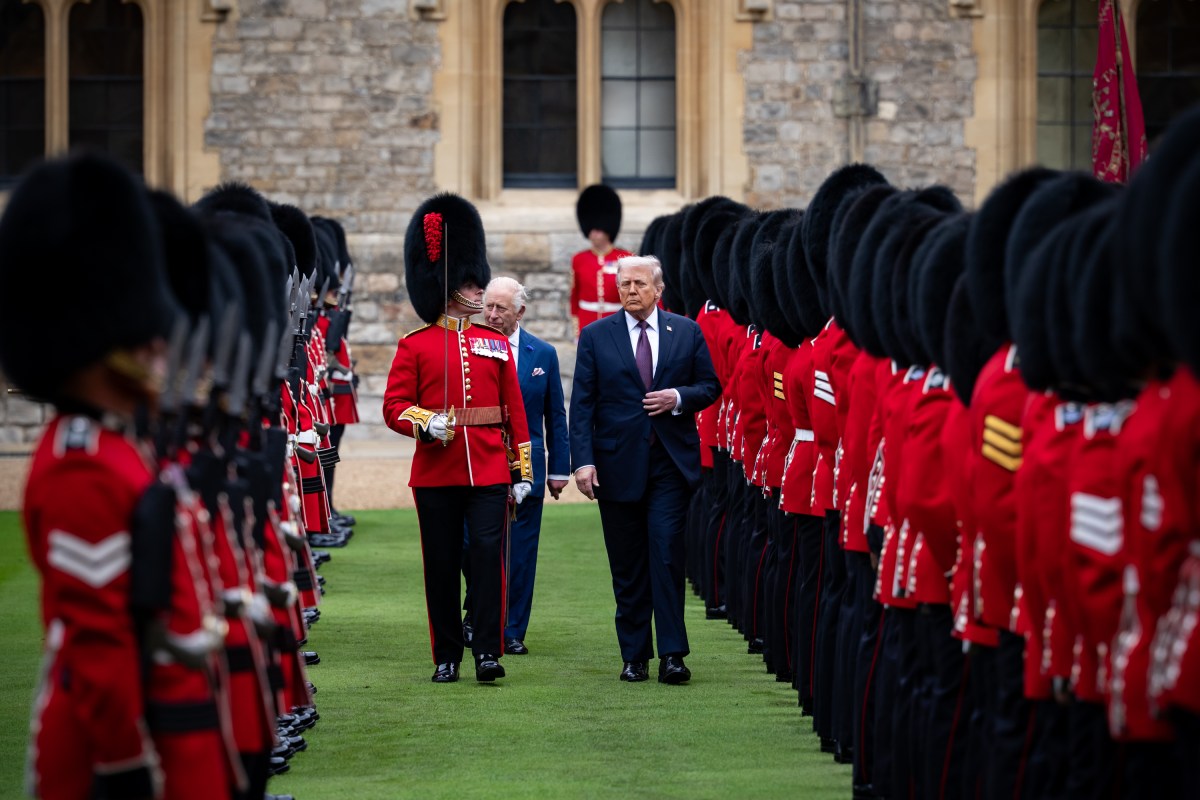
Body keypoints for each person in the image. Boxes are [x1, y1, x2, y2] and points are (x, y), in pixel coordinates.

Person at [383, 192, 534, 684]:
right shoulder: (415, 345)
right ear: (449, 288)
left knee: (489, 563)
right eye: (469, 283)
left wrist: (522, 473)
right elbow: (394, 407)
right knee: (442, 568)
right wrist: (425, 422)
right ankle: (446, 654)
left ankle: (488, 652)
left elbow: (514, 412)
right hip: (436, 471)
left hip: (489, 469)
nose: (478, 291)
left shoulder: (493, 343)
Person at [569, 255, 721, 684]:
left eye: (638, 283)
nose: (630, 290)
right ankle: (634, 654)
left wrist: (677, 397)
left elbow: (710, 386)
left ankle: (673, 654)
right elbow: (581, 405)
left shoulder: (686, 331)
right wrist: (582, 461)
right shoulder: (596, 336)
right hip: (616, 466)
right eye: (623, 284)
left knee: (667, 556)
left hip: (669, 464)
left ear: (659, 289)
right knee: (628, 564)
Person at [482, 276, 571, 655]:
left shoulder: (542, 353)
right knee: (479, 547)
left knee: (521, 552)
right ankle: (480, 617)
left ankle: (513, 628)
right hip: (482, 461)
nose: (492, 314)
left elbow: (555, 415)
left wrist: (559, 469)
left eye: (501, 308)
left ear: (519, 311)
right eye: (488, 306)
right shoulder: (471, 347)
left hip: (527, 464)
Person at [569, 184, 633, 340]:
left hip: (617, 323)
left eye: (598, 228)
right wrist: (577, 326)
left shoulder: (625, 258)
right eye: (592, 228)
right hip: (588, 322)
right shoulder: (579, 259)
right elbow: (575, 296)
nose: (594, 232)